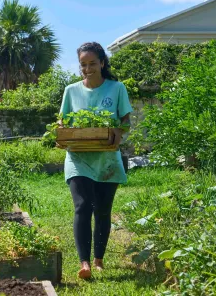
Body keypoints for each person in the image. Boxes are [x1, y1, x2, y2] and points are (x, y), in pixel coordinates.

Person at [60, 42, 132, 280]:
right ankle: (84, 263)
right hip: (78, 156)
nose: (87, 69)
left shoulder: (117, 88)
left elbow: (125, 120)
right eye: (83, 64)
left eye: (92, 63)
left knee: (102, 210)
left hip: (107, 158)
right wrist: (61, 135)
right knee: (82, 206)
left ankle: (98, 259)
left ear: (102, 63)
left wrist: (117, 135)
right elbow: (63, 123)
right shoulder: (71, 91)